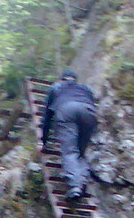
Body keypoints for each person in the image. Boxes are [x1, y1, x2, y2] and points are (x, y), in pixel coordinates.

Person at [41, 70, 98, 203]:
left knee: (70, 150)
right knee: (81, 153)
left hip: (67, 111)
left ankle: (75, 186)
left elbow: (47, 117)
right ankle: (82, 182)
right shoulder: (85, 89)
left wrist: (43, 140)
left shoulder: (56, 87)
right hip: (89, 112)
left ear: (62, 79)